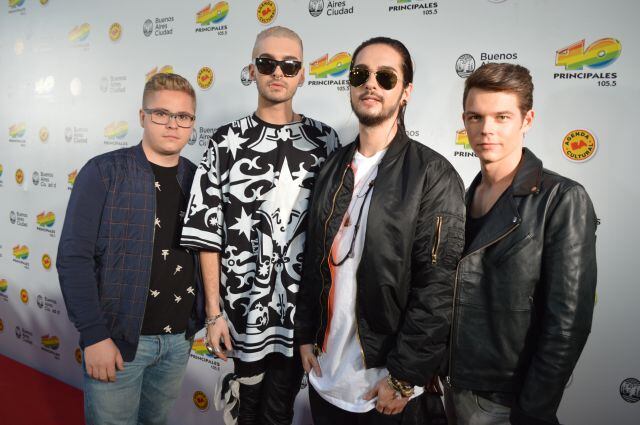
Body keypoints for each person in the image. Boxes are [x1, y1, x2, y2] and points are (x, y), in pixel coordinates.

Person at [295, 36, 466, 424]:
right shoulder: (331, 167)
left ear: (405, 92)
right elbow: (312, 262)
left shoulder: (432, 175)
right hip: (325, 380)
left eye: (386, 77)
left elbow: (437, 289)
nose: (371, 84)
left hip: (386, 390)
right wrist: (305, 334)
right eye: (361, 74)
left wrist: (405, 378)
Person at [180, 26, 340, 425]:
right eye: (267, 63)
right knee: (246, 413)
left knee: (279, 413)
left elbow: (337, 234)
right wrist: (213, 314)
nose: (278, 72)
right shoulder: (225, 141)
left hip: (300, 317)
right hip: (242, 313)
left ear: (303, 74)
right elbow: (207, 233)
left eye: (290, 65)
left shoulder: (325, 141)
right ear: (252, 70)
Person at [444, 62, 598, 425]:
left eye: (502, 117)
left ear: (527, 120)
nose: (486, 129)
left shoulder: (562, 198)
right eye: (476, 117)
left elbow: (567, 324)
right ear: (464, 121)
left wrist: (532, 411)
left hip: (507, 403)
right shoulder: (461, 196)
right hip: (452, 390)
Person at [57, 72, 204, 425]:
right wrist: (94, 335)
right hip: (117, 342)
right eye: (161, 113)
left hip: (177, 342)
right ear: (142, 116)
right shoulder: (103, 173)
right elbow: (74, 259)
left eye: (183, 116)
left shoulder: (198, 180)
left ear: (192, 123)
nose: (173, 124)